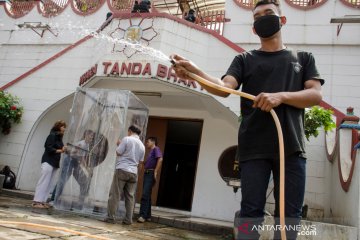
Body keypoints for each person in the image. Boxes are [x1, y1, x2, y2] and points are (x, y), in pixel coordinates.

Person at [171, 0, 324, 238]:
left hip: (291, 148)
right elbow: (224, 88)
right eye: (257, 16)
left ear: (282, 20)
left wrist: (280, 97)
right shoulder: (244, 60)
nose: (263, 18)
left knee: (290, 215)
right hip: (253, 148)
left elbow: (315, 94)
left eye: (268, 13)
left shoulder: (303, 58)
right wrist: (195, 72)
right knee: (249, 213)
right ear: (254, 28)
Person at [104, 125, 145, 225]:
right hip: (133, 172)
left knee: (115, 194)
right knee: (130, 196)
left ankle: (110, 218)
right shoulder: (142, 145)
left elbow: (118, 152)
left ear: (130, 131)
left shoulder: (127, 139)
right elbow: (141, 162)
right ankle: (128, 219)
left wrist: (119, 144)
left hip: (122, 169)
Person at [54, 129, 95, 209]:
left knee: (83, 182)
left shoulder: (87, 145)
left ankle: (80, 203)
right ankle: (54, 199)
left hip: (76, 162)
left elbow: (81, 158)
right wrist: (87, 169)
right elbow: (74, 154)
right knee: (63, 180)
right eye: (90, 137)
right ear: (86, 135)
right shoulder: (81, 144)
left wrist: (87, 169)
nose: (91, 139)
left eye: (92, 137)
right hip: (69, 161)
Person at [32, 120, 67, 209]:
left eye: (64, 127)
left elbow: (61, 148)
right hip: (48, 161)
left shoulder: (59, 138)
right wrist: (61, 150)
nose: (64, 129)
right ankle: (37, 201)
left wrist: (64, 148)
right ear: (58, 127)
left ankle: (43, 201)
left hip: (54, 162)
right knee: (44, 181)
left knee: (49, 182)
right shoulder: (52, 135)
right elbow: (48, 148)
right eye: (63, 126)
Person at [137, 137, 163, 223]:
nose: (146, 143)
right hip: (147, 173)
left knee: (144, 195)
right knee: (147, 195)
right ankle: (148, 216)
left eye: (148, 142)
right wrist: (142, 162)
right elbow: (149, 162)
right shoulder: (151, 152)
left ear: (153, 142)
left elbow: (160, 159)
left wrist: (155, 171)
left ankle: (142, 216)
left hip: (150, 173)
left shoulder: (156, 149)